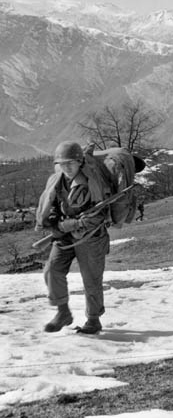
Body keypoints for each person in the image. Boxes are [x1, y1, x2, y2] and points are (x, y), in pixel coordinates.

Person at [35, 141, 111, 334]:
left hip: (91, 237)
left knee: (91, 280)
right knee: (52, 270)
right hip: (64, 236)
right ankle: (63, 312)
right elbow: (51, 205)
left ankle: (93, 320)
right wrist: (56, 223)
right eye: (62, 163)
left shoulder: (93, 182)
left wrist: (76, 224)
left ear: (80, 162)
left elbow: (101, 214)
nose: (66, 167)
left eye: (70, 163)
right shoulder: (57, 180)